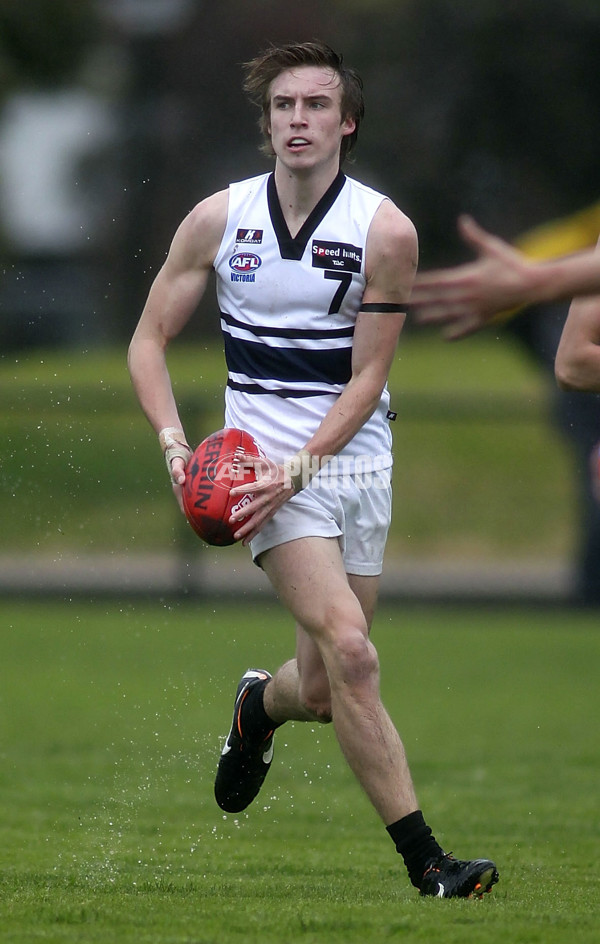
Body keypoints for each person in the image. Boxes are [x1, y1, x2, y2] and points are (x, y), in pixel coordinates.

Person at [128, 41, 498, 899]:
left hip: (353, 460)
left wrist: (312, 466)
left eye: (317, 105)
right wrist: (178, 446)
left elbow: (368, 377)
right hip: (260, 473)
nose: (299, 119)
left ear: (346, 122)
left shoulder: (384, 230)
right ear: (267, 125)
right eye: (285, 106)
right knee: (356, 653)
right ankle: (430, 864)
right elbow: (148, 340)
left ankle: (259, 706)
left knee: (327, 688)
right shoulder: (218, 220)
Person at [409, 214, 600, 346]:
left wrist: (532, 281)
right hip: (523, 297)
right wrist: (531, 281)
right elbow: (574, 367)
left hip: (528, 289)